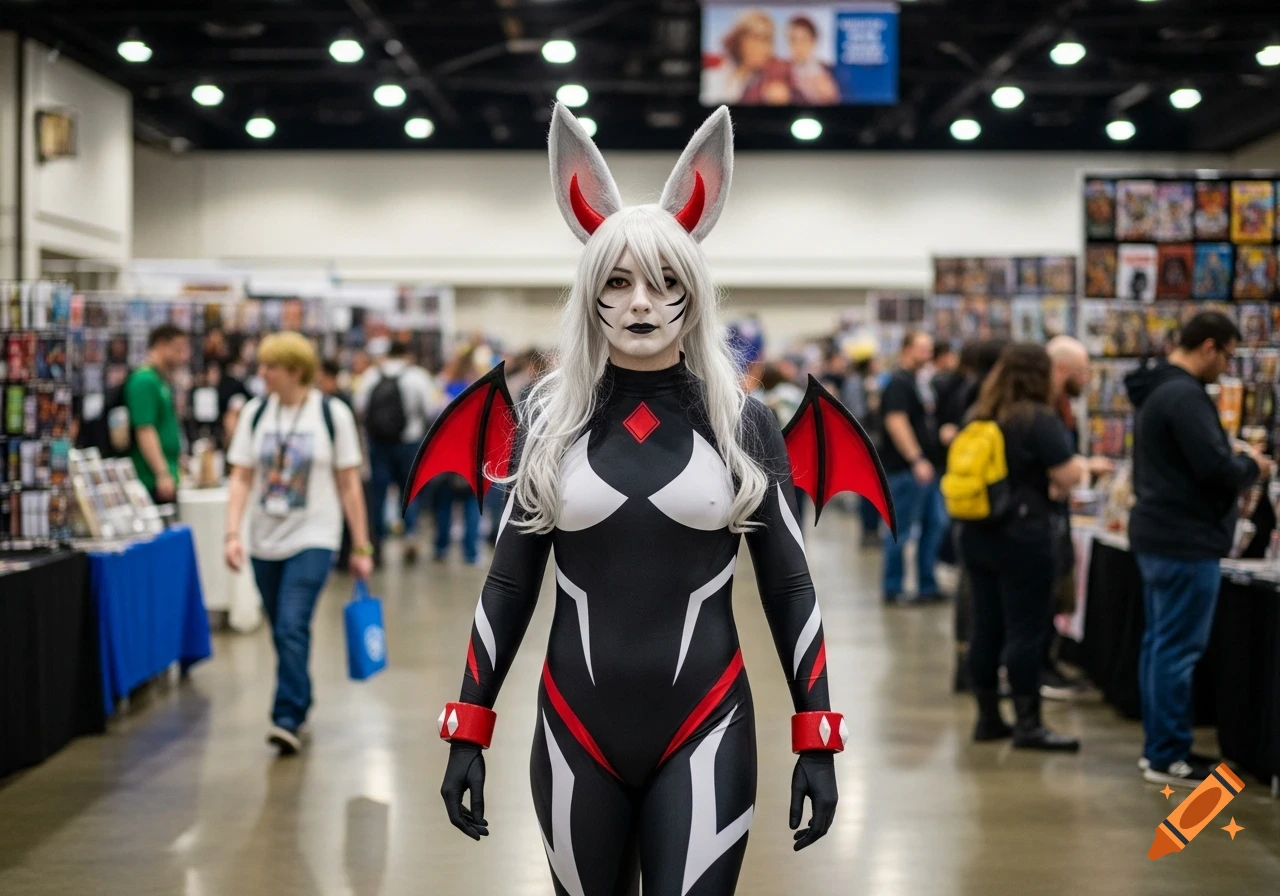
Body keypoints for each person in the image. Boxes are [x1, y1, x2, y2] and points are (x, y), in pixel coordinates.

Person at [419, 104, 888, 895]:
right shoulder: (548, 417)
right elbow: (508, 582)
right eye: (619, 281)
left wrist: (819, 735)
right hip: (573, 731)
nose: (641, 302)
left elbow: (788, 583)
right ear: (590, 293)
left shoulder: (743, 421)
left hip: (709, 725)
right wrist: (469, 724)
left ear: (695, 292)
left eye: (666, 281)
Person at [1125, 312, 1269, 786]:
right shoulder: (1184, 396)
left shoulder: (1159, 392)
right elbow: (1214, 468)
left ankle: (1161, 748)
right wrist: (1252, 469)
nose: (1227, 367)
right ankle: (1168, 754)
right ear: (1208, 347)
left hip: (1161, 535)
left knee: (1161, 644)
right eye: (1227, 355)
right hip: (1183, 540)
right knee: (1176, 648)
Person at [224, 332, 373, 756]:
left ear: (295, 371)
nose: (262, 373)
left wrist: (361, 547)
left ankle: (286, 715)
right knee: (282, 629)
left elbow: (349, 485)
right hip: (263, 540)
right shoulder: (254, 414)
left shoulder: (332, 414)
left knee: (291, 624)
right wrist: (232, 533)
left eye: (270, 366)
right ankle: (302, 699)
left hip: (314, 537)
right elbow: (240, 477)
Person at [958, 343, 1089, 751]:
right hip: (1024, 537)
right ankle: (1029, 725)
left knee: (986, 628)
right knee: (1027, 631)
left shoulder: (981, 413)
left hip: (977, 534)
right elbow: (1067, 476)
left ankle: (988, 718)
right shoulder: (1037, 417)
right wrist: (1084, 467)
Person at [355, 340, 441, 564]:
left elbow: (360, 407)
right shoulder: (418, 376)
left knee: (379, 494)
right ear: (407, 355)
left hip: (378, 444)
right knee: (409, 492)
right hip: (409, 442)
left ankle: (378, 542)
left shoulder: (371, 375)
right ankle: (409, 536)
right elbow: (431, 410)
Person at [880, 330, 947, 603]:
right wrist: (916, 458)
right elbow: (896, 422)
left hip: (927, 469)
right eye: (921, 348)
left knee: (936, 524)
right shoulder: (898, 383)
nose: (927, 354)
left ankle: (927, 585)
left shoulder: (921, 382)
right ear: (906, 349)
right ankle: (893, 588)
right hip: (905, 470)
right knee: (901, 530)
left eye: (929, 349)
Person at [126, 324, 190, 504]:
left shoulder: (158, 379)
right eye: (178, 349)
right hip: (150, 479)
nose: (183, 356)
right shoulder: (144, 380)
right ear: (161, 344)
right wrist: (161, 473)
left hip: (166, 474)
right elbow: (144, 428)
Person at [434, 346, 483, 563]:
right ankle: (471, 552)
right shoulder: (479, 391)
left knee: (444, 502)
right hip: (472, 455)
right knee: (471, 503)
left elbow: (433, 419)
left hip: (446, 455)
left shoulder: (444, 389)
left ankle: (441, 547)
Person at [787, 15, 840, 104]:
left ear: (813, 41)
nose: (798, 46)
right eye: (793, 40)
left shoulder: (830, 70)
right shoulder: (783, 72)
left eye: (803, 40)